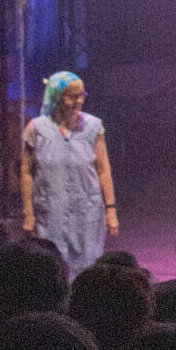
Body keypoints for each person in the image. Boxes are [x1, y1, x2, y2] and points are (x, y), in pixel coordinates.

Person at [20, 72, 118, 279]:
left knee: (88, 268)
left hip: (87, 211)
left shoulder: (93, 127)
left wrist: (111, 210)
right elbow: (27, 173)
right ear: (57, 97)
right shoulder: (37, 128)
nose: (79, 101)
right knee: (53, 268)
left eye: (82, 95)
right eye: (72, 96)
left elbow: (103, 170)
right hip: (51, 211)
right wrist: (28, 214)